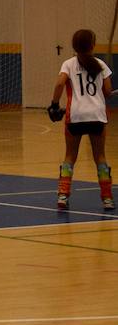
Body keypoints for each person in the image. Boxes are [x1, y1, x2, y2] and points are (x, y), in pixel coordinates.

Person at [49, 29, 114, 211]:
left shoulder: (68, 64)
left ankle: (63, 195)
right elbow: (108, 92)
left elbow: (60, 83)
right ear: (92, 45)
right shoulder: (100, 64)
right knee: (100, 157)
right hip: (97, 116)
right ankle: (107, 198)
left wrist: (54, 104)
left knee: (70, 156)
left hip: (75, 116)